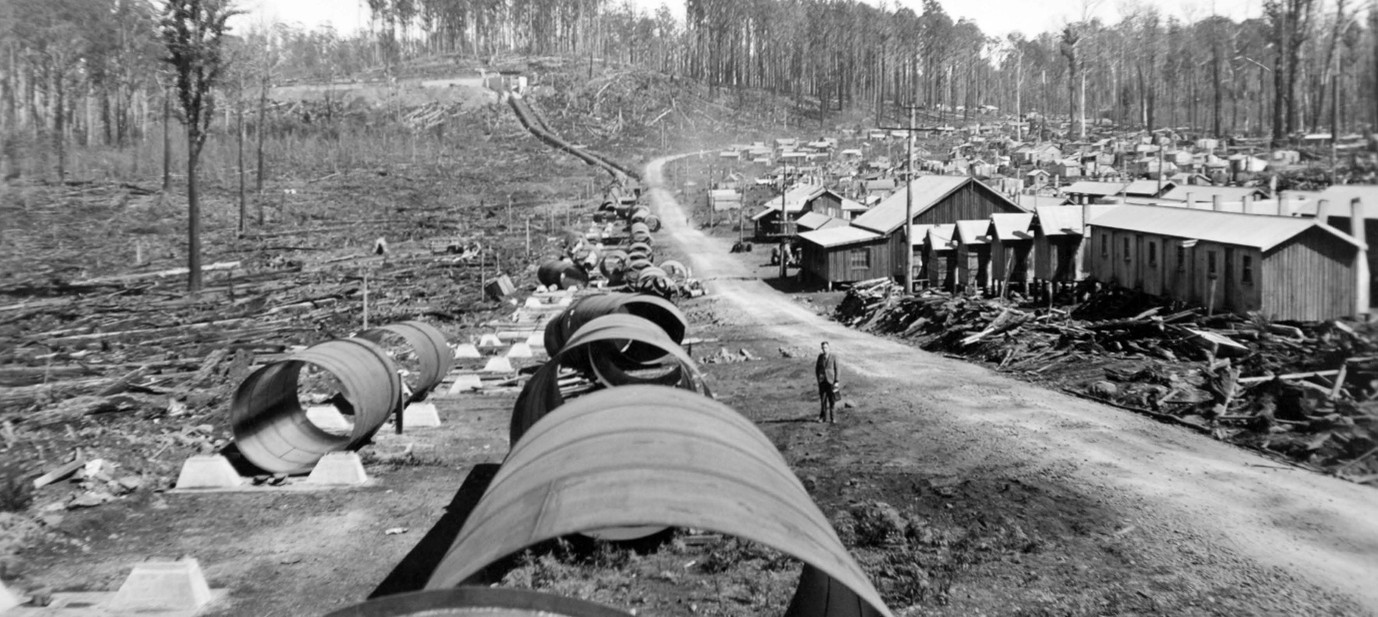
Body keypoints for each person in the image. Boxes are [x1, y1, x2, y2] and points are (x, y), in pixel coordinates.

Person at [815, 341, 840, 423]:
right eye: (823, 348)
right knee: (823, 400)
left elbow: (837, 369)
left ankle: (833, 418)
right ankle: (823, 417)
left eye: (825, 347)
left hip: (831, 382)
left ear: (829, 348)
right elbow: (817, 369)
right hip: (822, 382)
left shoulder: (834, 356)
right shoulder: (820, 357)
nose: (824, 349)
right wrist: (819, 379)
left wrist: (836, 381)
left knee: (832, 400)